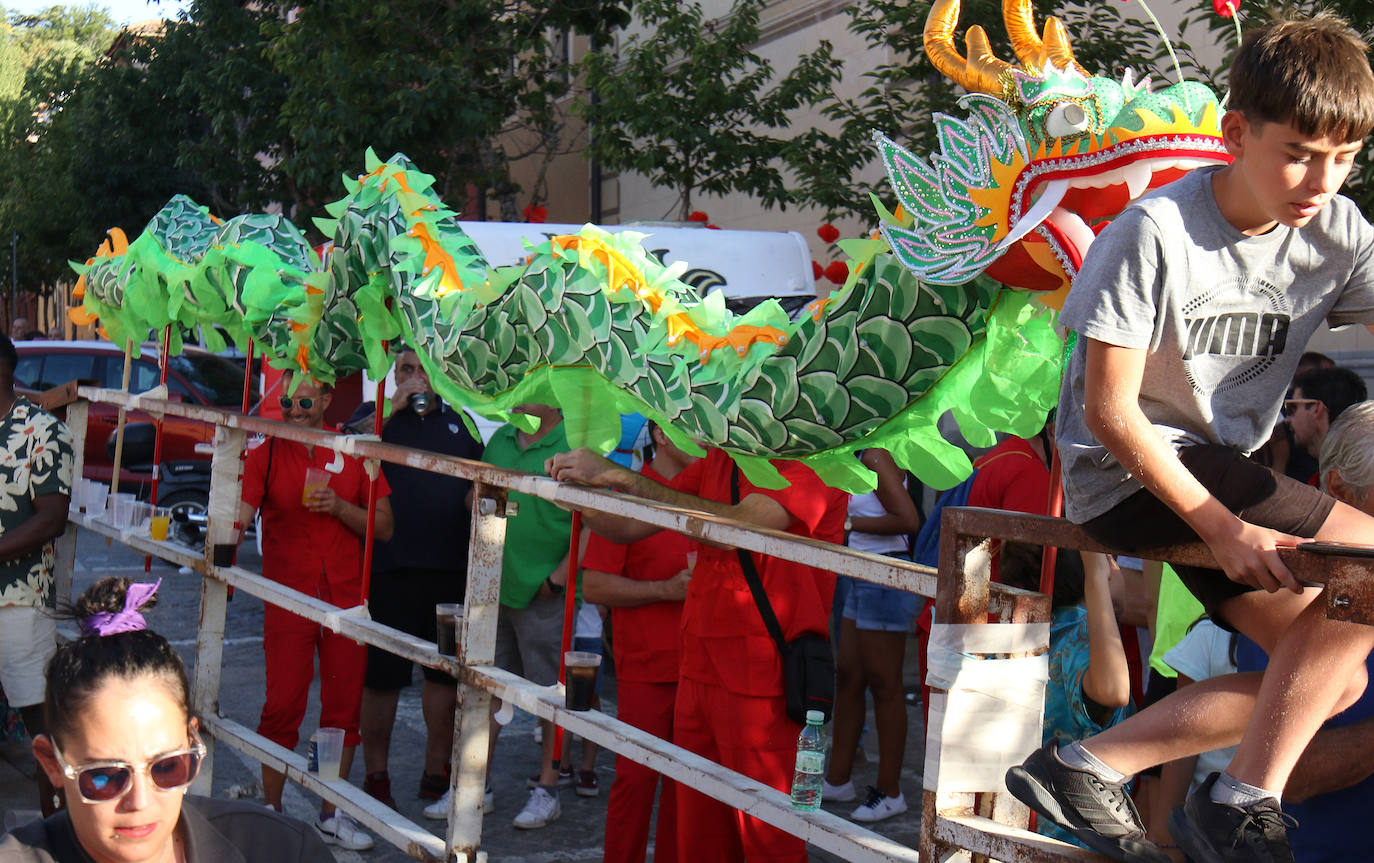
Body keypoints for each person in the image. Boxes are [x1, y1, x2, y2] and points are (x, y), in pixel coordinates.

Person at [1005, 15, 1374, 863]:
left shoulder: (1338, 232)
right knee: (1371, 563)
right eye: (1299, 152)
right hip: (1128, 471)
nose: (1321, 179)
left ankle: (1089, 763)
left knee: (1329, 675)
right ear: (1236, 133)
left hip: (1221, 474)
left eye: (1345, 157)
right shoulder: (1154, 233)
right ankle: (1242, 796)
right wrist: (1220, 525)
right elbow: (1109, 412)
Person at [547, 441, 847, 863]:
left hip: (765, 677)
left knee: (766, 835)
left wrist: (622, 477)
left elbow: (738, 528)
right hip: (700, 663)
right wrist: (580, 488)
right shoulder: (723, 457)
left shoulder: (820, 457)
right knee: (696, 829)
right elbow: (630, 524)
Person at [2, 576, 336, 863]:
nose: (141, 802)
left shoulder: (284, 850)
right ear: (52, 763)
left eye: (167, 767)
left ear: (192, 742)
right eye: (105, 777)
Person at [236, 372, 394, 851]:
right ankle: (271, 806)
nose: (294, 410)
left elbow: (384, 527)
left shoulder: (355, 452)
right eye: (287, 402)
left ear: (327, 398)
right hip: (290, 595)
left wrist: (341, 508)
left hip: (346, 597)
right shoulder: (267, 449)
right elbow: (239, 516)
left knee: (342, 710)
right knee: (282, 703)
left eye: (304, 401)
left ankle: (332, 808)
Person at [347, 347, 483, 810]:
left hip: (449, 568)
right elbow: (345, 448)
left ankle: (435, 770)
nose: (417, 378)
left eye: (426, 370)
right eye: (407, 369)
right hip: (391, 566)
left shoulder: (461, 422)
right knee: (382, 678)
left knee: (443, 676)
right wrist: (392, 406)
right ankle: (376, 774)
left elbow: (478, 484)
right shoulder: (376, 414)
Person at [580, 423, 695, 863]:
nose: (705, 444)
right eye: (695, 433)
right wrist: (665, 590)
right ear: (664, 435)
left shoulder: (709, 499)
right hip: (648, 669)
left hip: (702, 668)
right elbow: (594, 587)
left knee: (688, 789)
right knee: (636, 782)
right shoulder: (630, 498)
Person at [478, 402, 577, 830]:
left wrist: (556, 581)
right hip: (495, 585)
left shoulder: (576, 444)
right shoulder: (500, 437)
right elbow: (478, 495)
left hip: (544, 594)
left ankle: (548, 788)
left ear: (554, 398)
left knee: (551, 696)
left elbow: (592, 522)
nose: (515, 392)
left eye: (528, 384)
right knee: (485, 687)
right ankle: (473, 785)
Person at [821, 448, 921, 823]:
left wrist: (847, 526)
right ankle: (837, 779)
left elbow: (907, 518)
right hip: (858, 571)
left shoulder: (875, 453)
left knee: (884, 684)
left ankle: (891, 792)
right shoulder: (854, 451)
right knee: (848, 677)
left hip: (885, 576)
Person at [0, 331, 73, 817]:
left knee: (40, 725)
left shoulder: (41, 430)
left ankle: (61, 831)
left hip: (19, 600)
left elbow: (51, 517)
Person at [1281, 366, 1366, 482]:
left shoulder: (1347, 482)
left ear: (1317, 409)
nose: (1287, 419)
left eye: (1293, 407)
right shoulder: (1355, 470)